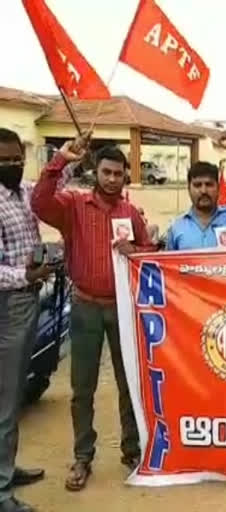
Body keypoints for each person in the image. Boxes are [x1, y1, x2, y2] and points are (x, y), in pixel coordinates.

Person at [30, 134, 156, 492]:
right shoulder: (72, 206)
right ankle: (83, 456)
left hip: (122, 309)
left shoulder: (130, 213)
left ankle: (132, 452)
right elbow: (40, 203)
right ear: (95, 172)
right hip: (85, 306)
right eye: (107, 172)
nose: (112, 179)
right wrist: (61, 161)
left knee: (127, 383)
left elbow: (146, 253)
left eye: (118, 173)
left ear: (125, 177)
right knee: (81, 388)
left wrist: (136, 250)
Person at [0, 128, 50, 512]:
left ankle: (6, 467)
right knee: (5, 399)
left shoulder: (22, 192)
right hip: (8, 303)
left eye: (17, 159)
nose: (14, 166)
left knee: (14, 393)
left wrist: (68, 155)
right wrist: (26, 277)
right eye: (5, 160)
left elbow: (51, 184)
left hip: (27, 300)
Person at [165, 131, 226, 250]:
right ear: (189, 188)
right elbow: (168, 266)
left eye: (209, 184)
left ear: (218, 187)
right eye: (197, 185)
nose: (203, 190)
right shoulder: (177, 228)